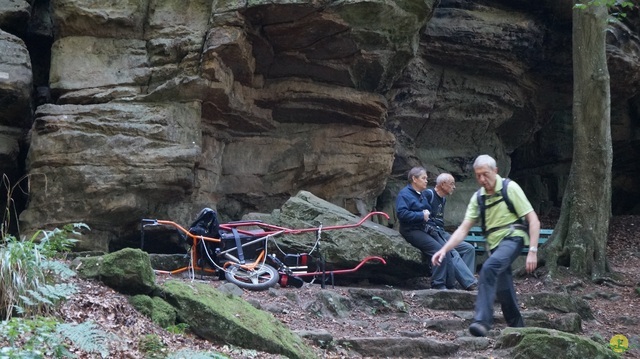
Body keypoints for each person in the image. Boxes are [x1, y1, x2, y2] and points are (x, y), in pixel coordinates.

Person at [432, 155, 540, 337]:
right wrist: (444, 249)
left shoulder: (510, 188)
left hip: (513, 238)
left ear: (495, 171)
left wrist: (533, 251)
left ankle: (482, 321)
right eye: (478, 175)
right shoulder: (478, 198)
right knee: (504, 290)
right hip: (495, 247)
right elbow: (463, 229)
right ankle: (519, 331)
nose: (482, 179)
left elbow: (533, 220)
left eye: (485, 174)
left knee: (488, 268)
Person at [396, 167, 476, 290]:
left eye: (426, 178)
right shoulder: (405, 194)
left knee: (447, 251)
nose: (426, 181)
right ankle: (438, 284)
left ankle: (450, 284)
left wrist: (427, 218)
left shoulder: (421, 195)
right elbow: (401, 214)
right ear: (414, 179)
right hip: (412, 230)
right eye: (423, 178)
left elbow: (428, 212)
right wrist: (421, 215)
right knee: (438, 250)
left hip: (427, 229)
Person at [425, 173, 477, 289]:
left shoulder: (443, 199)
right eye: (452, 184)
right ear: (443, 184)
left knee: (469, 249)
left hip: (442, 232)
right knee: (453, 252)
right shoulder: (429, 195)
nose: (454, 187)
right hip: (433, 232)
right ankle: (470, 283)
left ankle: (464, 281)